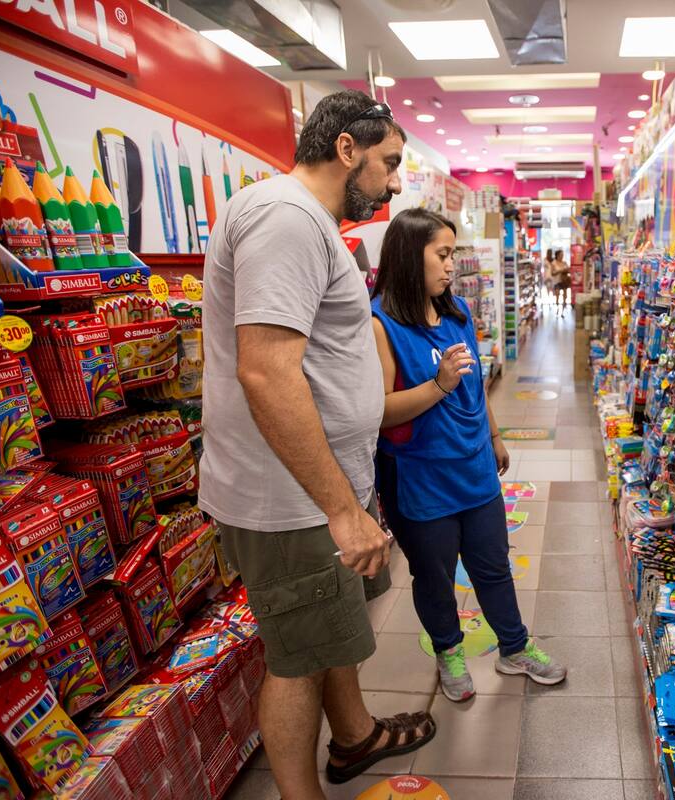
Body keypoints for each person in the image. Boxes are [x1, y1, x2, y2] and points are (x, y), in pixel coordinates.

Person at [200, 91, 435, 800]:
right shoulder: (286, 218)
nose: (395, 182)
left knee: (328, 630)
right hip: (293, 497)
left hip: (314, 484)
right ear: (345, 149)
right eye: (389, 162)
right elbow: (266, 369)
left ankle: (356, 736)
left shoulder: (303, 219)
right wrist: (341, 509)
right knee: (297, 658)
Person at [370, 208, 568, 702]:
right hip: (420, 476)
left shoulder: (456, 315)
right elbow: (378, 412)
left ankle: (514, 647)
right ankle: (448, 651)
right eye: (442, 254)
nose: (451, 264)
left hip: (474, 466)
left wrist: (495, 436)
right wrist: (438, 386)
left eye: (453, 253)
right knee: (434, 575)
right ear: (407, 257)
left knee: (492, 564)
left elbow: (474, 389)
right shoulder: (380, 325)